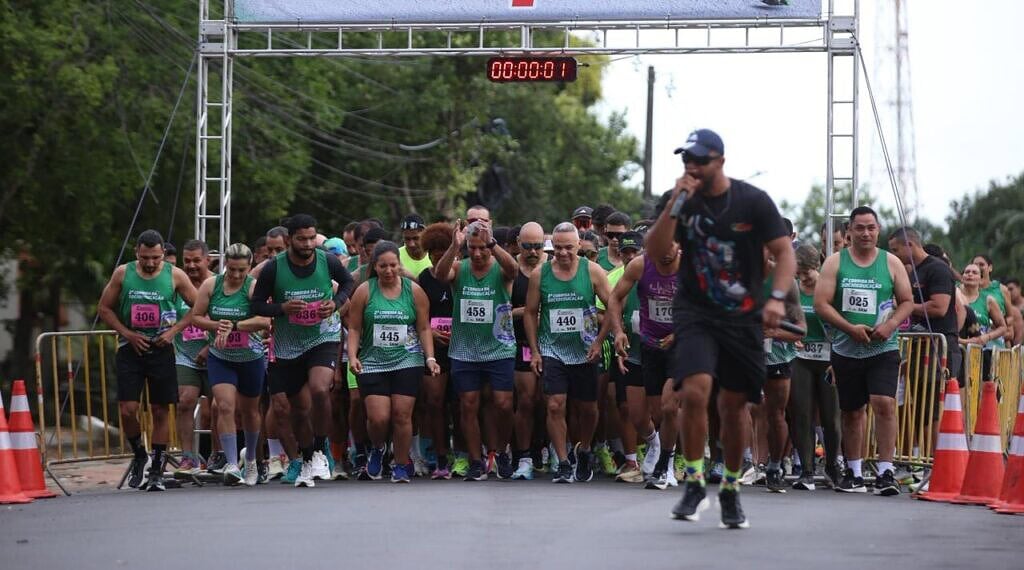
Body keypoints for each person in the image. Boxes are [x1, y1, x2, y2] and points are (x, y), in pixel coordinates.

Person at [645, 128, 795, 528]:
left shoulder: (752, 201)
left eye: (699, 160)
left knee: (732, 406)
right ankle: (693, 481)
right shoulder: (681, 203)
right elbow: (656, 250)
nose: (691, 167)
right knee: (694, 391)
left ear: (720, 162)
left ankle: (729, 487)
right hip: (696, 312)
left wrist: (777, 297)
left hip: (742, 315)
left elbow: (784, 253)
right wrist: (675, 202)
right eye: (686, 160)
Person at [814, 206, 913, 495]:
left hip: (883, 346)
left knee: (884, 403)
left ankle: (886, 470)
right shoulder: (834, 263)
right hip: (846, 349)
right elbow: (821, 304)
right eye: (859, 228)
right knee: (852, 411)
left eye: (871, 227)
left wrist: (891, 324)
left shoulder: (891, 262)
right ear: (849, 233)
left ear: (878, 230)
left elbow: (906, 300)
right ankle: (854, 472)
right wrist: (849, 328)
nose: (866, 233)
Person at [251, 214, 355, 488]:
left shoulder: (327, 261)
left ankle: (321, 450)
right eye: (302, 239)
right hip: (287, 344)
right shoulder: (273, 268)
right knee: (295, 409)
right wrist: (282, 309)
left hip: (323, 336)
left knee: (320, 389)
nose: (309, 244)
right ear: (289, 240)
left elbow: (348, 284)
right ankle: (307, 457)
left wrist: (335, 303)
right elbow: (257, 305)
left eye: (312, 238)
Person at [97, 230, 198, 491]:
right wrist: (128, 334)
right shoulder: (123, 273)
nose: (150, 263)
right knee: (127, 410)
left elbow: (198, 307)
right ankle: (139, 453)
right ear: (136, 253)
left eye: (155, 257)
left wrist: (174, 331)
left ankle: (156, 467)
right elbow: (104, 309)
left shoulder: (175, 275)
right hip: (131, 348)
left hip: (161, 348)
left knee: (160, 410)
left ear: (163, 253)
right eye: (145, 258)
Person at [523, 222, 612, 484]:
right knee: (554, 405)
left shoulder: (593, 271)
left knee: (588, 408)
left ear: (578, 247)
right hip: (553, 350)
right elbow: (529, 313)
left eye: (568, 248)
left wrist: (599, 341)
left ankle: (583, 450)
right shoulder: (540, 274)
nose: (562, 253)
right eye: (558, 248)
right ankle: (563, 462)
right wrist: (536, 351)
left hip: (585, 350)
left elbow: (612, 307)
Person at [347, 241, 440, 483]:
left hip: (407, 359)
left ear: (399, 266)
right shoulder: (365, 291)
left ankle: (400, 463)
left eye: (393, 266)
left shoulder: (414, 291)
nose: (388, 271)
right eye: (383, 266)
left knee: (401, 415)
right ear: (374, 267)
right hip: (373, 361)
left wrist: (429, 357)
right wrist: (353, 355)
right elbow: (355, 327)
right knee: (379, 418)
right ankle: (378, 448)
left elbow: (423, 327)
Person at [435, 220, 519, 480]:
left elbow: (514, 270)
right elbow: (440, 275)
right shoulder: (459, 269)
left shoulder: (499, 269)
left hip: (499, 348)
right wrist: (454, 246)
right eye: (473, 248)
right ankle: (475, 460)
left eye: (483, 247)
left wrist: (493, 243)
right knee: (467, 405)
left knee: (504, 404)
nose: (479, 253)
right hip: (464, 350)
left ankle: (502, 451)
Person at [188, 244, 271, 486]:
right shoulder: (211, 286)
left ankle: (254, 460)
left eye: (241, 270)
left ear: (250, 266)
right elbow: (196, 316)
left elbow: (265, 320)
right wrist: (216, 326)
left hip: (250, 358)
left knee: (249, 411)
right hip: (221, 357)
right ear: (225, 264)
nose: (236, 275)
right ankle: (233, 463)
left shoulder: (252, 287)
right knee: (224, 406)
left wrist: (235, 326)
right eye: (232, 269)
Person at [599, 231, 661, 484]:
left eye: (634, 251)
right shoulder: (616, 278)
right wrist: (617, 335)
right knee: (630, 410)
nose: (629, 257)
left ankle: (668, 458)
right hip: (631, 350)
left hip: (662, 350)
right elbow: (608, 308)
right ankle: (640, 453)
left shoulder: (659, 273)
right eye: (625, 253)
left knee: (665, 407)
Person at [787, 244, 843, 490]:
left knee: (831, 416)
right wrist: (792, 333)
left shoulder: (828, 287)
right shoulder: (793, 289)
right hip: (801, 357)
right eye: (798, 274)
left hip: (828, 356)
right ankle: (807, 470)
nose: (803, 278)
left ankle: (832, 464)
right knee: (801, 412)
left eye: (806, 273)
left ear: (816, 267)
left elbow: (841, 320)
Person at [758, 246, 805, 493]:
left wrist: (772, 331)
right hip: (742, 354)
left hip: (775, 357)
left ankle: (774, 465)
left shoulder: (785, 281)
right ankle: (735, 463)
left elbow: (801, 329)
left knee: (775, 414)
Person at [416, 223, 456, 479]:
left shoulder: (461, 274)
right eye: (433, 251)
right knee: (434, 402)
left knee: (463, 403)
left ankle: (465, 455)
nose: (438, 255)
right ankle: (440, 457)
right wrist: (431, 333)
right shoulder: (424, 279)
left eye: (443, 249)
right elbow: (418, 317)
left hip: (463, 345)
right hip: (434, 348)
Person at [510, 222, 548, 480]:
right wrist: (528, 312)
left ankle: (549, 450)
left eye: (538, 246)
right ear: (518, 245)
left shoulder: (555, 267)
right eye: (527, 247)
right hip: (520, 344)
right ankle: (523, 455)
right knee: (525, 401)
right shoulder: (511, 271)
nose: (533, 252)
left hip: (553, 345)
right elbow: (500, 311)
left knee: (551, 402)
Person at [172, 241, 212, 477]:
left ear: (208, 259)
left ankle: (220, 456)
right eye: (187, 260)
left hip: (217, 353)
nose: (191, 265)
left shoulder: (218, 284)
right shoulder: (177, 285)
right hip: (185, 355)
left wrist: (208, 347)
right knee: (184, 402)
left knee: (219, 407)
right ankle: (188, 458)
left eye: (197, 260)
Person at [972, 254, 1021, 346]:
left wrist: (997, 326)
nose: (978, 267)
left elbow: (1010, 317)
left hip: (997, 345)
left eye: (981, 264)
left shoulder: (1002, 290)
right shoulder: (968, 289)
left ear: (990, 268)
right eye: (975, 265)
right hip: (973, 344)